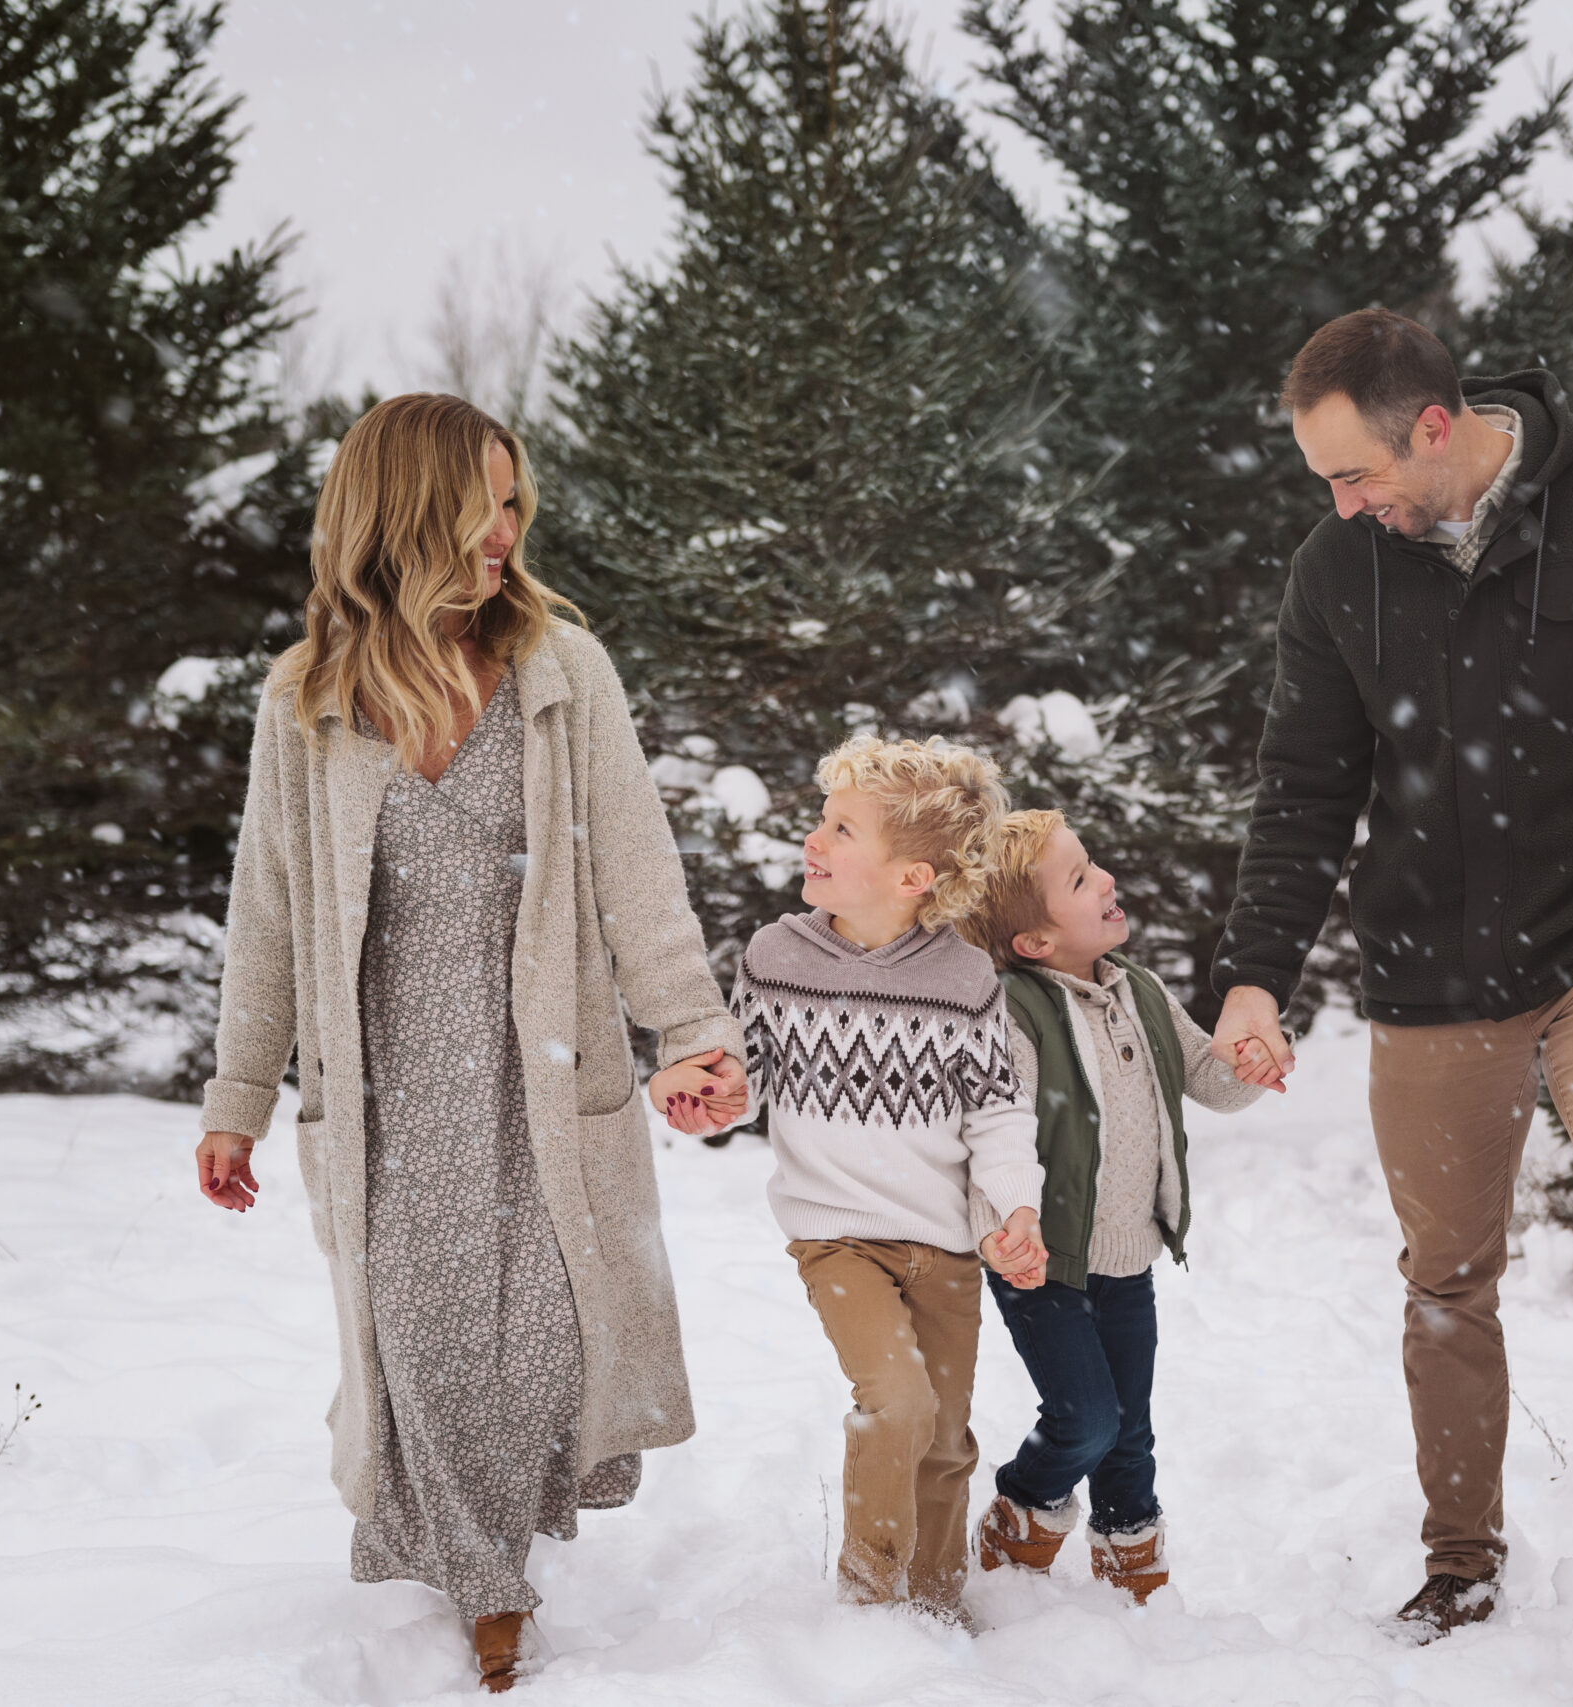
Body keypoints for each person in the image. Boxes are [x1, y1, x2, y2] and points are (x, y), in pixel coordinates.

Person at [1208, 309, 1573, 1665]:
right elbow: (1305, 789)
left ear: (1434, 426)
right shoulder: (1338, 569)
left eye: (1354, 473)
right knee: (1448, 1270)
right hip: (1431, 962)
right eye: (1326, 486)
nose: (1344, 505)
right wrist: (1256, 974)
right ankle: (1458, 1561)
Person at [192, 393, 748, 1693]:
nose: (502, 532)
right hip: (385, 1087)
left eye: (514, 505)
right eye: (477, 506)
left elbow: (638, 875)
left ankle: (500, 1537)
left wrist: (693, 1030)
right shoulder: (308, 698)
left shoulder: (563, 672)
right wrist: (238, 1094)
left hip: (545, 1075)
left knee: (551, 1336)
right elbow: (266, 911)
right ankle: (487, 1585)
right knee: (428, 1344)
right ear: (402, 512)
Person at [729, 735, 1049, 1627]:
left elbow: (996, 1113)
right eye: (822, 820)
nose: (814, 840)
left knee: (944, 1439)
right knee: (895, 1400)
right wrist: (701, 1090)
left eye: (841, 828)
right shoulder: (775, 957)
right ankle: (871, 1599)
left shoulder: (964, 977)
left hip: (944, 1244)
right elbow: (740, 1078)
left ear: (913, 876)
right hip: (835, 1234)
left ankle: (937, 1607)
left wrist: (1016, 1205)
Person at [955, 809, 1273, 1604]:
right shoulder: (1014, 1015)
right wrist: (1001, 1230)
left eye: (1091, 864)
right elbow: (989, 1135)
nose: (1106, 881)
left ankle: (1134, 1568)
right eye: (1080, 877)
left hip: (1128, 1257)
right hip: (1042, 1258)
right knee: (1086, 1419)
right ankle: (1022, 1513)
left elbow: (1211, 1079)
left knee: (1130, 1430)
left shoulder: (1140, 991)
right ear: (1034, 941)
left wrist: (1253, 1057)